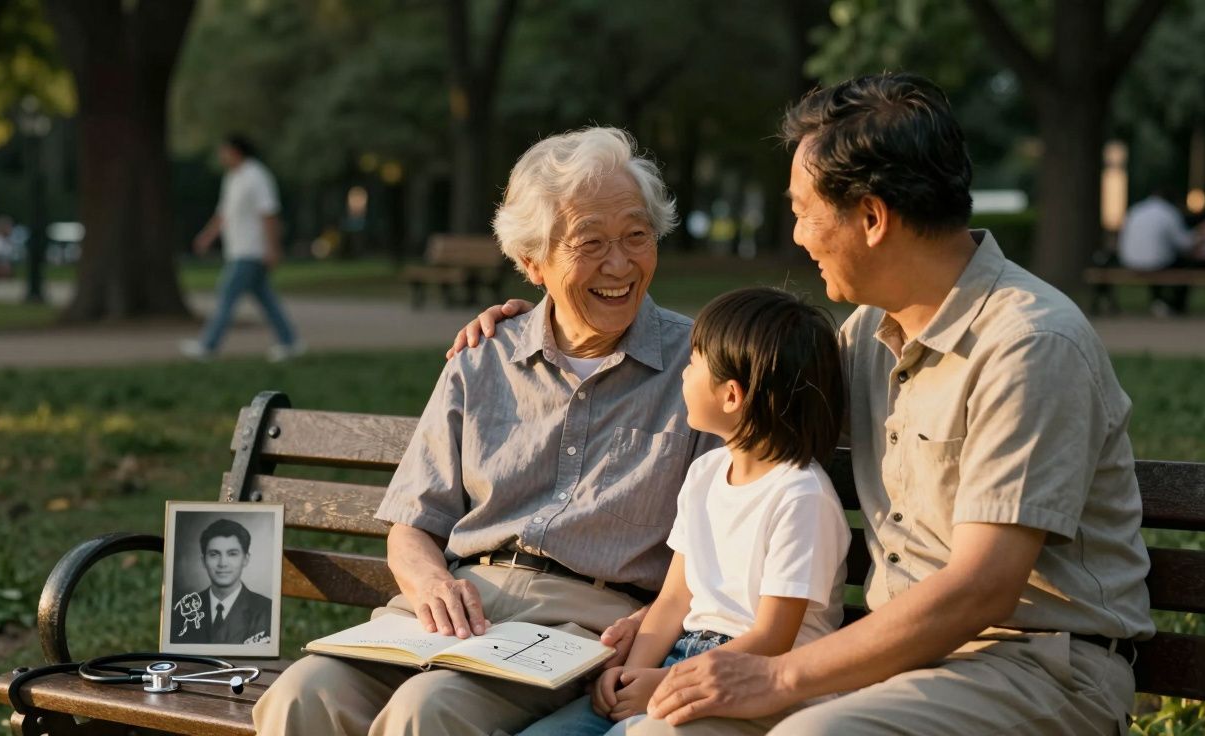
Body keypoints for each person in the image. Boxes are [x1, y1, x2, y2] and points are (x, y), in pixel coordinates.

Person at [455, 73, 1153, 736]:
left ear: (872, 218)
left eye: (803, 213)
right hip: (897, 663)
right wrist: (560, 326)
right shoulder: (873, 337)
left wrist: (779, 677)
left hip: (1034, 667)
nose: (796, 237)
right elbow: (738, 388)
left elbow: (982, 589)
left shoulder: (1029, 345)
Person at [252, 127, 720, 736]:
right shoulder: (483, 357)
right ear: (532, 263)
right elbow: (412, 524)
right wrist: (431, 583)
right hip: (456, 608)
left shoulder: (705, 367)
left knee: (430, 712)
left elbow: (725, 535)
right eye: (590, 242)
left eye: (637, 236)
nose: (620, 263)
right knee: (301, 694)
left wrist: (657, 620)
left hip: (586, 625)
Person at [518, 287, 850, 736]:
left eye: (694, 363)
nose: (683, 374)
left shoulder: (801, 497)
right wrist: (630, 678)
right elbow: (676, 597)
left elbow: (773, 639)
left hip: (759, 687)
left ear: (731, 395)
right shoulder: (707, 473)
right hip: (681, 662)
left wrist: (665, 684)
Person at [180, 135, 303, 362]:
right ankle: (290, 342)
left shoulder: (257, 176)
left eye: (223, 151)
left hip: (252, 250)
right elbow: (223, 214)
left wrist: (272, 248)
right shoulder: (233, 178)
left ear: (236, 151)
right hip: (238, 250)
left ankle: (208, 346)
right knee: (266, 298)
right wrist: (207, 237)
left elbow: (269, 214)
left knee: (226, 295)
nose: (221, 156)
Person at [1118, 189, 1205, 315]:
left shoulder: (1135, 210)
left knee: (1172, 263)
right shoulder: (1168, 212)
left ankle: (1163, 302)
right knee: (1195, 266)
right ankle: (1178, 304)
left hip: (1129, 262)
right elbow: (1185, 244)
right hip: (1156, 264)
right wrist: (1204, 232)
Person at [170, 518, 273, 645]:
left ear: (245, 559)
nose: (223, 563)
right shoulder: (182, 609)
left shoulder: (267, 610)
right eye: (214, 554)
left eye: (232, 554)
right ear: (203, 561)